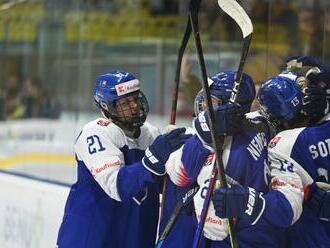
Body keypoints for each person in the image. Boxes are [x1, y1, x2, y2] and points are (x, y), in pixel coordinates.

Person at [56, 70, 191, 248]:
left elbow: (162, 185)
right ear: (107, 106)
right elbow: (117, 186)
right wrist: (155, 156)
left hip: (133, 236)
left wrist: (180, 155)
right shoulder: (96, 133)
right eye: (125, 103)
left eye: (135, 98)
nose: (134, 106)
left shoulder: (150, 133)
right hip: (91, 238)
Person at [160, 71, 286, 247]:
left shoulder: (228, 151)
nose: (205, 106)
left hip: (235, 235)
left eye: (212, 102)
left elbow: (179, 175)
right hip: (261, 232)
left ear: (231, 107)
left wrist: (202, 138)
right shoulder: (258, 124)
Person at [212, 60, 330, 247]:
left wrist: (249, 203)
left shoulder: (285, 143)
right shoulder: (282, 139)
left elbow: (289, 205)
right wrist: (209, 127)